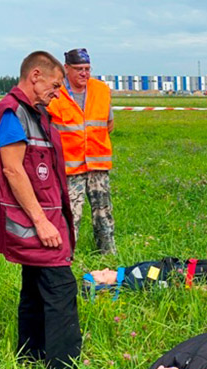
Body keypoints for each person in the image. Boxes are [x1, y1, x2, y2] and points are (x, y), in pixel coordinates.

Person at [0, 51, 80, 369]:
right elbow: (13, 170)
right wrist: (42, 222)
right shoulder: (12, 113)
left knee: (34, 288)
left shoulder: (34, 113)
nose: (57, 93)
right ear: (35, 76)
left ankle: (30, 358)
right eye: (55, 86)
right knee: (60, 289)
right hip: (34, 220)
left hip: (43, 215)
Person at [47, 48, 116, 255]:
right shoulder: (56, 92)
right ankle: (65, 256)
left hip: (98, 164)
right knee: (70, 214)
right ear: (66, 68)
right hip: (70, 167)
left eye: (87, 69)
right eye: (79, 69)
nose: (84, 73)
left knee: (103, 213)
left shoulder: (101, 90)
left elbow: (109, 124)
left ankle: (107, 254)